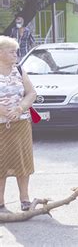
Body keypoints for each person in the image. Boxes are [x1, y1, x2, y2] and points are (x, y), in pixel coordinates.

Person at [0, 36, 37, 211]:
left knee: (23, 161)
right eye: (11, 51)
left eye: (16, 51)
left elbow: (31, 93)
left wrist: (20, 108)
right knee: (1, 162)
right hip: (1, 125)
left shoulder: (19, 70)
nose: (16, 54)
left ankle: (24, 198)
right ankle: (0, 202)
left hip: (20, 123)